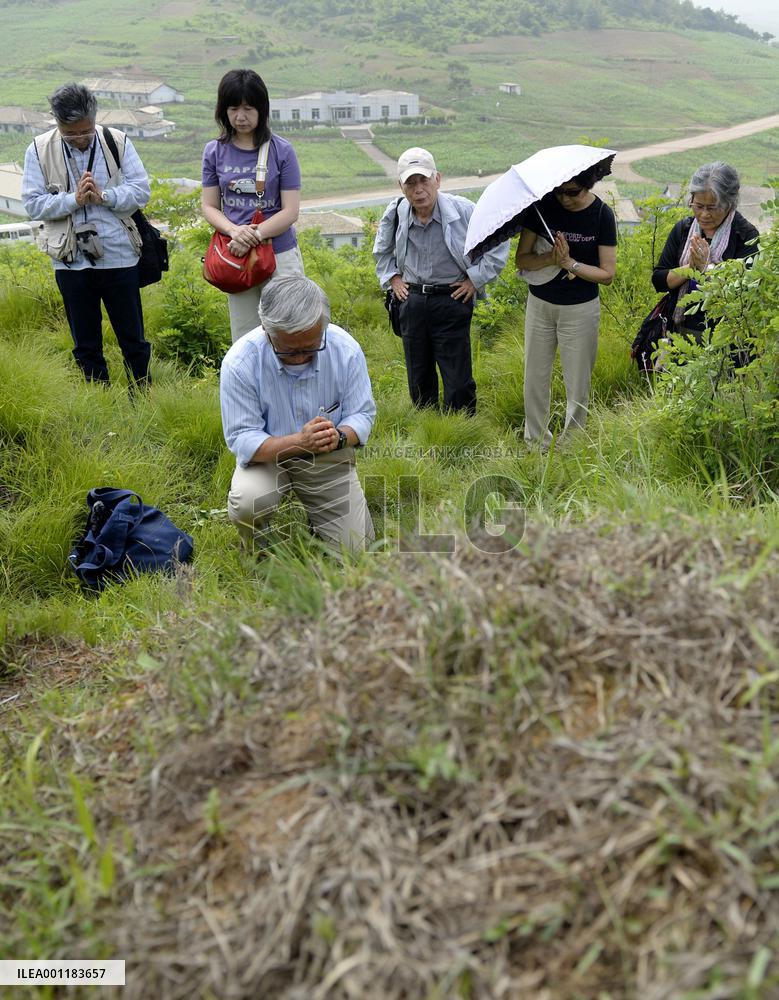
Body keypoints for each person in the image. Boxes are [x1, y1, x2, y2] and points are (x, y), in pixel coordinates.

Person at [220, 275, 376, 554]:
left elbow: (362, 415)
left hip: (326, 457)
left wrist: (338, 437)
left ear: (323, 328)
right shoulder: (241, 361)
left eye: (311, 347)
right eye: (289, 351)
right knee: (248, 502)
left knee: (355, 552)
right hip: (267, 459)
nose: (301, 358)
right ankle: (256, 547)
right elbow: (242, 439)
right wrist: (300, 443)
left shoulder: (345, 350)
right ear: (267, 330)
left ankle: (322, 520)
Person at [21, 82, 152, 386]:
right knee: (85, 343)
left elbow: (140, 191)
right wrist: (74, 200)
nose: (80, 139)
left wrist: (104, 197)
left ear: (95, 119)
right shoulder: (39, 149)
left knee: (133, 339)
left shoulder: (116, 141)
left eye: (85, 131)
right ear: (57, 123)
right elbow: (32, 203)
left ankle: (143, 397)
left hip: (119, 255)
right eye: (71, 133)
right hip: (71, 260)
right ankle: (99, 399)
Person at [373, 147, 509, 414]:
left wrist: (474, 279)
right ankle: (429, 428)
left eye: (424, 180)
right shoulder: (397, 212)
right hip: (411, 301)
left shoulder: (465, 210)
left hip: (452, 298)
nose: (418, 189)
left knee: (457, 380)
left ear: (438, 179)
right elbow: (381, 251)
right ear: (401, 186)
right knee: (419, 377)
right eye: (410, 182)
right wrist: (393, 278)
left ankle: (462, 432)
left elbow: (498, 244)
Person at [515, 165, 617, 446]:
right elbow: (522, 260)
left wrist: (571, 264)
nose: (565, 198)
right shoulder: (543, 207)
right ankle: (536, 442)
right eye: (559, 191)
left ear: (588, 186)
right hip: (540, 304)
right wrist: (551, 259)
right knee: (534, 376)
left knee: (577, 381)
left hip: (580, 309)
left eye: (572, 192)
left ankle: (572, 445)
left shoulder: (601, 215)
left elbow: (607, 274)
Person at [202, 69, 304, 344]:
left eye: (248, 108)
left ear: (262, 109)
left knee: (289, 330)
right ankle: (252, 387)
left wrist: (253, 236)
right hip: (236, 255)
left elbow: (290, 211)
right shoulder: (214, 151)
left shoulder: (282, 151)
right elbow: (210, 206)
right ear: (224, 111)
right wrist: (235, 232)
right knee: (246, 339)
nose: (241, 116)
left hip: (279, 254)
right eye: (233, 108)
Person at [652, 161, 759, 343]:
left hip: (726, 338)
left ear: (729, 204)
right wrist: (691, 268)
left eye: (712, 208)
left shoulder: (745, 236)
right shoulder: (684, 230)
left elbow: (745, 294)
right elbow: (659, 280)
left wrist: (706, 271)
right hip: (680, 331)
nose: (704, 215)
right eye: (698, 206)